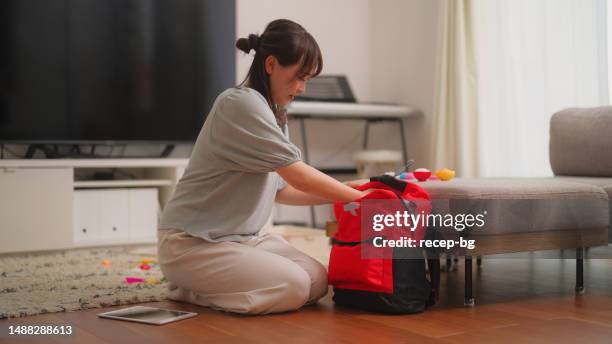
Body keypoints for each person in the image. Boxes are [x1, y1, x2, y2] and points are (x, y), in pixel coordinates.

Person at [157, 19, 367, 315]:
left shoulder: (275, 115)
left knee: (318, 281)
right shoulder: (240, 104)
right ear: (271, 64)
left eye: (307, 80)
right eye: (299, 77)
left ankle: (212, 284)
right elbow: (299, 176)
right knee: (294, 287)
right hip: (193, 244)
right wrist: (360, 199)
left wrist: (344, 190)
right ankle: (190, 290)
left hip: (245, 241)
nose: (302, 88)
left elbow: (286, 190)